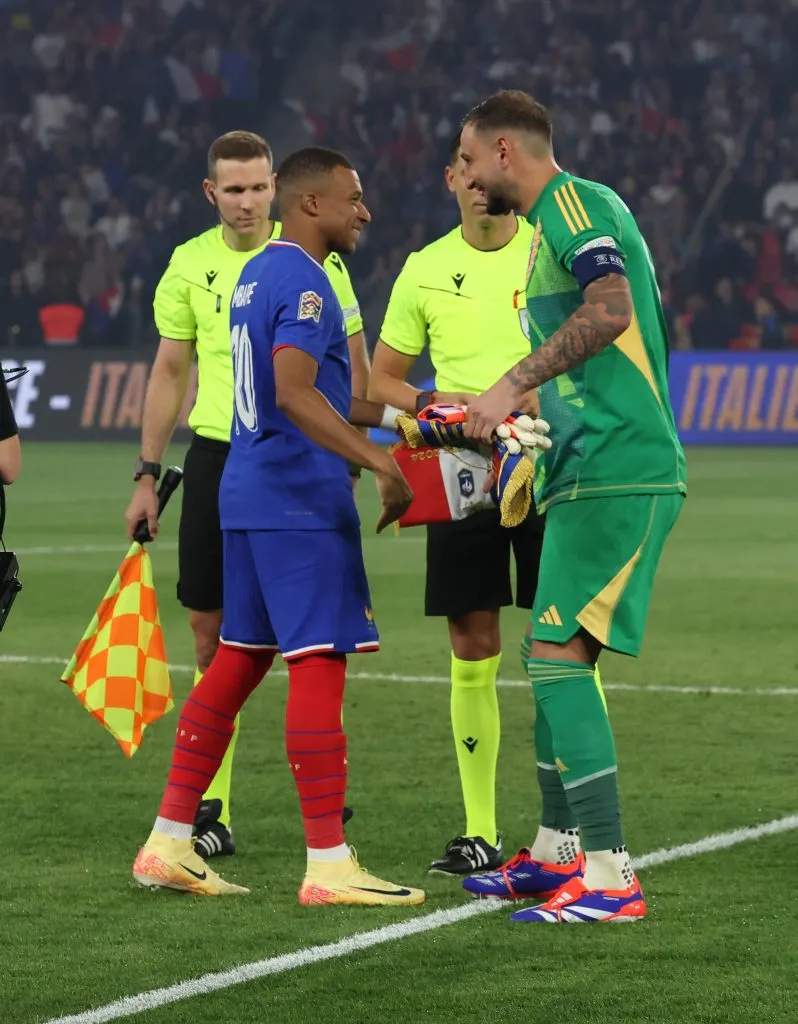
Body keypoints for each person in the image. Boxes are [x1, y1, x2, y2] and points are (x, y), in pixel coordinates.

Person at [132, 146, 424, 908]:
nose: (364, 211)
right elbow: (297, 395)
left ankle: (169, 839)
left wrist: (427, 414)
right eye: (353, 198)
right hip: (298, 499)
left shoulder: (259, 272)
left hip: (247, 492)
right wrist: (382, 464)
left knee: (236, 660)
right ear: (313, 205)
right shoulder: (306, 280)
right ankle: (328, 862)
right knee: (320, 661)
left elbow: (334, 392)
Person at [457, 90, 686, 923]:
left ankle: (611, 875)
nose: (468, 175)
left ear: (507, 150)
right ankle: (558, 856)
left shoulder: (572, 203)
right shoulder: (557, 223)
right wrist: (523, 417)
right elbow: (592, 352)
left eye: (473, 158)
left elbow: (610, 310)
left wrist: (514, 381)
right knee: (555, 654)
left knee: (554, 659)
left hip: (619, 466)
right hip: (585, 464)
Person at [369, 131, 544, 876]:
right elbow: (381, 380)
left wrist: (534, 396)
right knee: (472, 645)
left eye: (486, 171)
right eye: (464, 173)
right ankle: (480, 831)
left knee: (563, 643)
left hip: (545, 462)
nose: (478, 185)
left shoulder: (546, 251)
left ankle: (570, 830)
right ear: (449, 179)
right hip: (463, 473)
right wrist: (437, 402)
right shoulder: (425, 267)